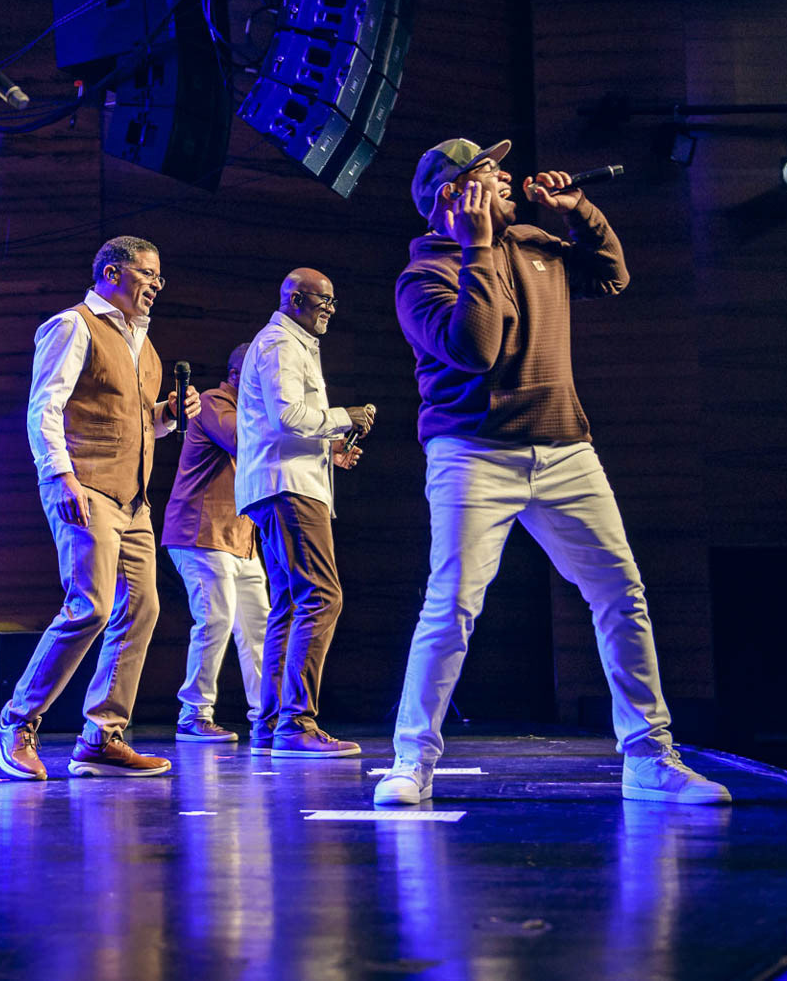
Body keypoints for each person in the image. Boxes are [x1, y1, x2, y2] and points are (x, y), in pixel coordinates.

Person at [374, 139, 729, 808]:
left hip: (566, 449)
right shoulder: (421, 278)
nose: (508, 177)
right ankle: (411, 761)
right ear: (454, 195)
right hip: (473, 453)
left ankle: (649, 757)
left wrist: (579, 210)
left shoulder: (535, 242)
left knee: (620, 593)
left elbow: (611, 277)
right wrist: (478, 247)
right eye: (490, 172)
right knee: (452, 606)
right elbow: (476, 349)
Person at [0, 236, 201, 779]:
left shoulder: (144, 344)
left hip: (134, 500)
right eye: (147, 273)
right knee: (91, 606)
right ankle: (14, 721)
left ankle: (102, 734)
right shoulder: (73, 325)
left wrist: (168, 414)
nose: (156, 285)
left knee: (142, 608)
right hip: (86, 486)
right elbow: (45, 407)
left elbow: (137, 423)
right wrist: (59, 475)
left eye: (159, 276)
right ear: (111, 273)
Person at [236, 269, 371, 758]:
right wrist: (344, 417)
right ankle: (296, 722)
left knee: (291, 605)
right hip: (288, 489)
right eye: (323, 300)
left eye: (333, 301)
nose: (330, 309)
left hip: (281, 485)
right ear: (295, 300)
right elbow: (288, 416)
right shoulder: (280, 344)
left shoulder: (291, 344)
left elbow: (284, 423)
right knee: (321, 596)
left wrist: (330, 449)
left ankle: (272, 722)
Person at [162, 343, 269, 743]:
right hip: (201, 533)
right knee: (215, 621)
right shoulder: (212, 402)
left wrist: (326, 450)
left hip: (240, 539)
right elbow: (243, 440)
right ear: (238, 375)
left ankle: (267, 715)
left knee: (258, 628)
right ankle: (194, 714)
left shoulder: (253, 412)